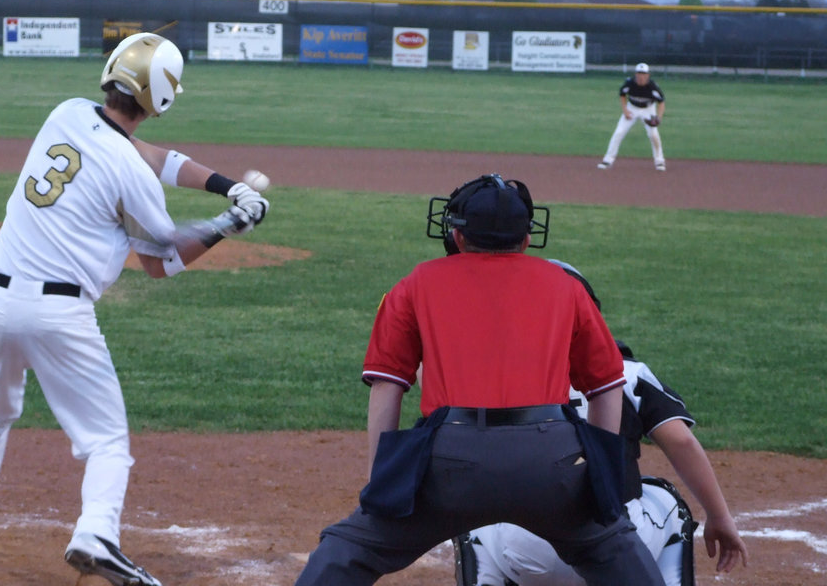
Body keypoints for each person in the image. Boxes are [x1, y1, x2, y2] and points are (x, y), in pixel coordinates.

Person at [0, 33, 270, 586]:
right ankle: (96, 534)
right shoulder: (131, 177)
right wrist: (231, 224)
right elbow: (161, 262)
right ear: (162, 98)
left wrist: (226, 189)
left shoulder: (67, 113)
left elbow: (146, 155)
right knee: (106, 441)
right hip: (57, 316)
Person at [293, 173, 664, 586]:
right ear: (526, 240)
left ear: (458, 237)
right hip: (551, 461)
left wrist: (380, 482)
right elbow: (606, 386)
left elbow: (387, 386)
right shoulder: (566, 286)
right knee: (615, 550)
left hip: (450, 464)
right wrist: (599, 478)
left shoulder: (418, 281)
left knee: (348, 551)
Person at [455, 261, 748, 586]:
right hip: (618, 546)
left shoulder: (489, 374)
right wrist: (719, 517)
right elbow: (681, 443)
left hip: (525, 553)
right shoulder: (627, 371)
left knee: (477, 509)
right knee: (667, 501)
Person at [598, 62, 666, 171]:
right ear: (635, 74)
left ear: (648, 75)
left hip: (648, 110)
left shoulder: (653, 87)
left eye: (644, 74)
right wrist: (625, 110)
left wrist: (659, 117)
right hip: (632, 108)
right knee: (619, 132)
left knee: (653, 135)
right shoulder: (630, 83)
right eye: (639, 73)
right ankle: (608, 160)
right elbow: (622, 94)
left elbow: (661, 102)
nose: (641, 76)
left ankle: (659, 162)